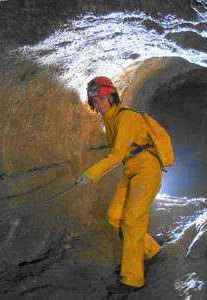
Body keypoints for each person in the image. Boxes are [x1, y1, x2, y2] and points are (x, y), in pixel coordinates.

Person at [75, 76, 166, 294]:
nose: (98, 105)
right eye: (94, 101)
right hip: (131, 171)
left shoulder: (126, 117)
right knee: (115, 216)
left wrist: (89, 174)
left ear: (112, 96)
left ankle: (132, 279)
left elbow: (116, 155)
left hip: (146, 171)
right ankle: (152, 252)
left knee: (132, 222)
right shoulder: (110, 120)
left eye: (102, 99)